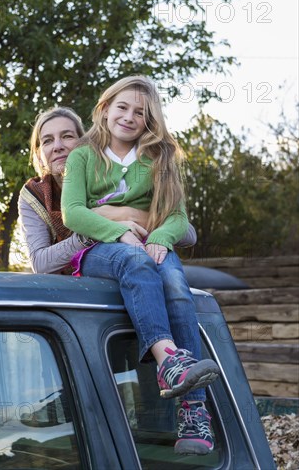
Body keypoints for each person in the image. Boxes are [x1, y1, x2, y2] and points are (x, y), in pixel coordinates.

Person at [61, 76, 220, 455]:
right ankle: (169, 360)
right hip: (102, 251)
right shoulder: (84, 156)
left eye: (140, 113)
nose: (129, 117)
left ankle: (193, 411)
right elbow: (73, 212)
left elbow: (178, 217)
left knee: (177, 288)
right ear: (104, 108)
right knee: (134, 259)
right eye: (123, 107)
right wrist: (118, 232)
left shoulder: (159, 160)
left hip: (153, 247)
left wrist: (161, 238)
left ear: (151, 121)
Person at [19, 107, 196, 275]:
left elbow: (188, 234)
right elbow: (41, 264)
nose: (58, 146)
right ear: (39, 155)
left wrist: (131, 214)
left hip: (134, 269)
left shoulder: (109, 174)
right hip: (70, 291)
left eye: (67, 136)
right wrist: (95, 228)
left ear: (86, 144)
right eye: (47, 140)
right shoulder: (34, 195)